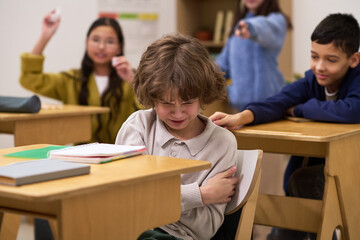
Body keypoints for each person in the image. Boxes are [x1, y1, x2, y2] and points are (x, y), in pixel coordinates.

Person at [210, 13, 360, 240]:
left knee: (306, 188)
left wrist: (300, 109)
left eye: (331, 60)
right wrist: (240, 118)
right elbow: (277, 102)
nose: (320, 66)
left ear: (353, 60)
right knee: (294, 190)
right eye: (314, 56)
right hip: (312, 168)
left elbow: (352, 109)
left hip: (349, 168)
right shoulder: (311, 81)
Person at [115, 33, 239, 240]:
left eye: (188, 102)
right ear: (152, 98)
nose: (178, 113)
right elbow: (128, 200)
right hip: (129, 230)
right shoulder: (138, 126)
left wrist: (155, 198)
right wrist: (201, 195)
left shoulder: (222, 142)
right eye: (166, 103)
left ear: (203, 96)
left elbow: (206, 228)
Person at [19, 10, 137, 144]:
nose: (101, 46)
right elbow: (30, 79)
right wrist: (45, 36)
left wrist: (133, 81)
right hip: (81, 157)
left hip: (122, 155)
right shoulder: (71, 80)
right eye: (95, 39)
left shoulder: (132, 78)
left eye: (110, 42)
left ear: (119, 47)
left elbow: (151, 112)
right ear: (87, 42)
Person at [216, 0, 292, 111]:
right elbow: (223, 64)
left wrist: (250, 27)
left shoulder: (277, 20)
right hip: (239, 107)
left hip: (269, 105)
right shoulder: (237, 26)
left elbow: (265, 28)